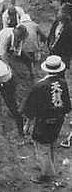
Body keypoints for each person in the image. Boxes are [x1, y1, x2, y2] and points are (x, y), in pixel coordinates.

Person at [21, 55, 71, 184]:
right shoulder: (63, 83)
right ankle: (50, 165)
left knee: (42, 147)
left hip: (44, 122)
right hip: (58, 120)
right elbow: (67, 107)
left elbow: (30, 108)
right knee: (52, 143)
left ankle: (47, 175)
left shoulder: (40, 86)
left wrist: (27, 125)